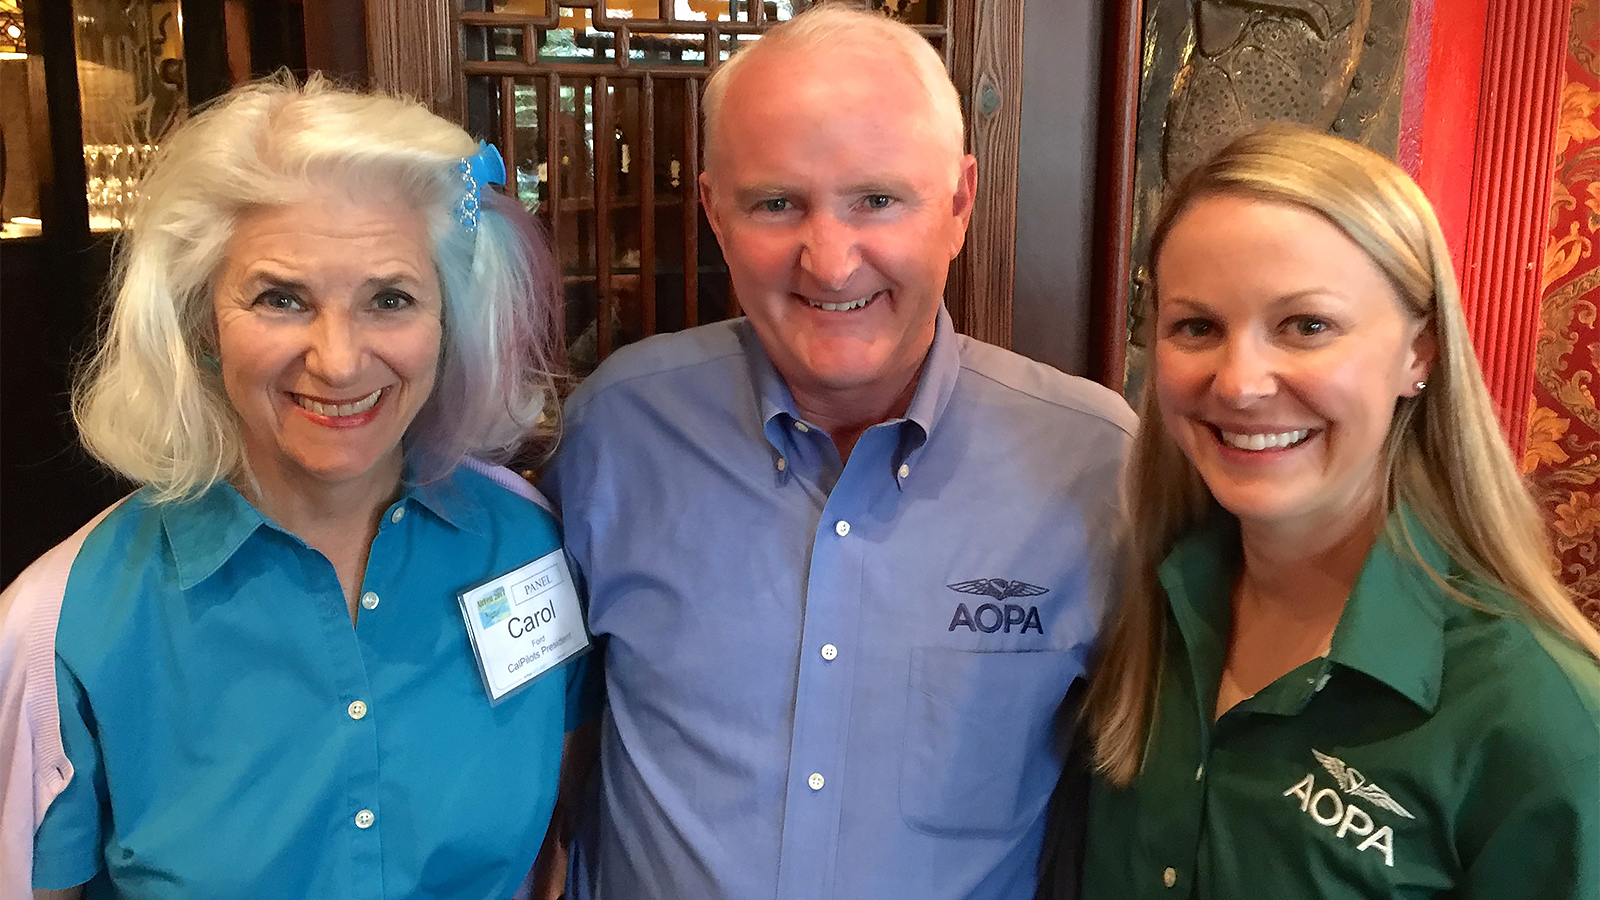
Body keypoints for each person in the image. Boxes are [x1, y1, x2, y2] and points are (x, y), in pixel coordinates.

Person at [542, 6, 1136, 899]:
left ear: (960, 204)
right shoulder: (616, 434)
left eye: (877, 200)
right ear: (714, 211)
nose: (829, 261)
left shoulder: (1095, 467)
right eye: (777, 204)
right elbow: (547, 753)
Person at [0, 76, 590, 899]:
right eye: (281, 299)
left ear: (449, 319)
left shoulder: (527, 540)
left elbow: (557, 845)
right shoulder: (59, 620)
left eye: (391, 298)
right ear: (202, 323)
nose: (339, 360)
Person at [1076, 126, 1600, 899]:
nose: (1241, 383)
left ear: (1419, 353)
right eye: (1197, 326)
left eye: (1307, 326)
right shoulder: (1145, 606)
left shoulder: (1538, 714)